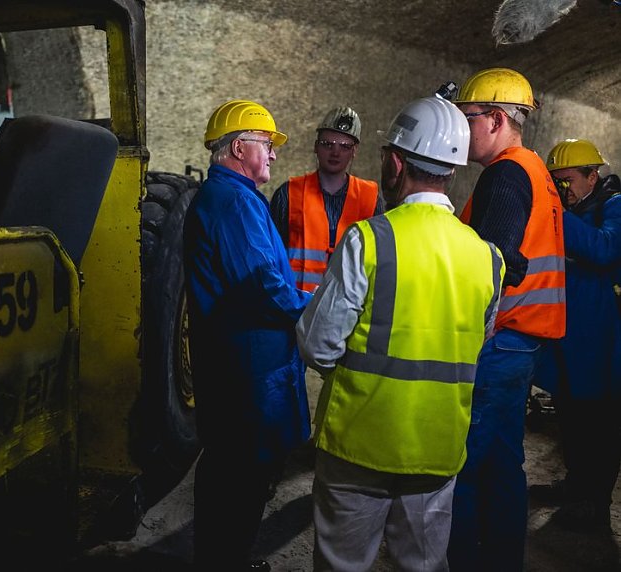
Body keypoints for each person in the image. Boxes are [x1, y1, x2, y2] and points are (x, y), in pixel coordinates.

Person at [296, 95, 505, 572]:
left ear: (394, 162)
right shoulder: (487, 257)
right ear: (452, 169)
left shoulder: (368, 239)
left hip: (359, 443)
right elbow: (478, 341)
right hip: (438, 448)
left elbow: (317, 346)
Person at [184, 99, 314, 572]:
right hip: (246, 370)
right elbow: (262, 284)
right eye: (267, 144)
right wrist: (315, 307)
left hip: (239, 364)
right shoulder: (235, 202)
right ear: (240, 147)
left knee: (231, 472)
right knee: (240, 476)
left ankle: (223, 558)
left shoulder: (227, 197)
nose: (274, 155)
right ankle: (225, 561)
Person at [448, 67, 566, 571]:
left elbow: (494, 265)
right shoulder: (534, 170)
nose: (460, 129)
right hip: (521, 344)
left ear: (496, 119)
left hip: (499, 340)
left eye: (467, 118)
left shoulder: (506, 174)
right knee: (502, 462)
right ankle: (500, 558)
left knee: (472, 463)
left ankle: (471, 560)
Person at [530, 138, 621, 530]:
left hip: (601, 343)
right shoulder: (575, 208)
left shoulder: (614, 205)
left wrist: (555, 212)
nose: (562, 190)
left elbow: (604, 250)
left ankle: (595, 503)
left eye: (566, 182)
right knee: (571, 418)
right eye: (555, 183)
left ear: (592, 175)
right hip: (567, 337)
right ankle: (575, 485)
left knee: (599, 424)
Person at [270, 106, 384, 292]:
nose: (335, 152)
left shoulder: (370, 198)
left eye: (344, 146)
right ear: (316, 146)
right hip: (296, 308)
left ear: (354, 151)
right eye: (327, 144)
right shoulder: (289, 193)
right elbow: (271, 257)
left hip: (349, 310)